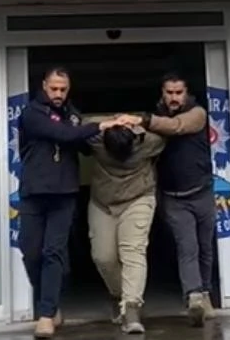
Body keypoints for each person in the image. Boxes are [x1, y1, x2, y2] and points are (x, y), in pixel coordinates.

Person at [18, 67, 128, 339]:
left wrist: (116, 132)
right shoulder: (32, 113)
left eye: (63, 89)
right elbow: (63, 135)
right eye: (54, 88)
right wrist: (99, 125)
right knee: (31, 253)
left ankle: (46, 314)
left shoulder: (73, 115)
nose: (58, 94)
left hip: (64, 193)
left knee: (52, 252)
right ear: (44, 86)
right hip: (34, 193)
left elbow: (85, 146)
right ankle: (50, 299)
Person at [117, 72, 216, 327]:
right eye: (169, 93)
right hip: (173, 197)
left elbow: (177, 126)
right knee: (188, 247)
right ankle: (194, 297)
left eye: (178, 92)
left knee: (205, 247)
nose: (174, 97)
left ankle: (205, 293)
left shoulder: (197, 114)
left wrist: (143, 120)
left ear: (186, 93)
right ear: (162, 93)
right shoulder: (154, 120)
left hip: (202, 192)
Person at [81, 116, 166, 334]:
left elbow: (84, 123)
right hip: (103, 203)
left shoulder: (97, 140)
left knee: (133, 251)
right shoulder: (148, 142)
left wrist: (112, 121)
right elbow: (164, 130)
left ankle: (131, 309)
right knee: (103, 257)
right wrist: (133, 121)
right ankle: (118, 295)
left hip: (138, 198)